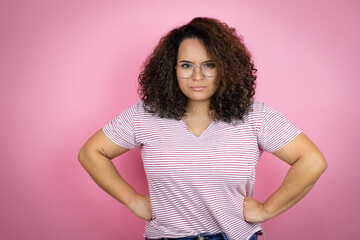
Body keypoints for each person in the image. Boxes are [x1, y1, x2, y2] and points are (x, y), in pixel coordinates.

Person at [78, 17, 327, 240]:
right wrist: (133, 201)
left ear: (225, 68)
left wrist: (266, 209)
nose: (197, 76)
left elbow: (312, 160)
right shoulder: (145, 114)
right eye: (186, 65)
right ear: (171, 69)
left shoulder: (255, 116)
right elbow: (92, 152)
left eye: (209, 64)